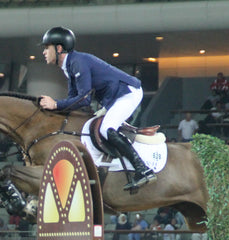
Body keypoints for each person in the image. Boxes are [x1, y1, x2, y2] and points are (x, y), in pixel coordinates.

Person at [38, 27, 155, 190]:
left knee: (107, 128)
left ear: (58, 48)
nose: (44, 52)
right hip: (113, 98)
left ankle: (143, 169)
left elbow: (84, 99)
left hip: (127, 93)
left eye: (46, 47)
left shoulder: (77, 62)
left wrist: (56, 104)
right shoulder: (70, 65)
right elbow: (73, 99)